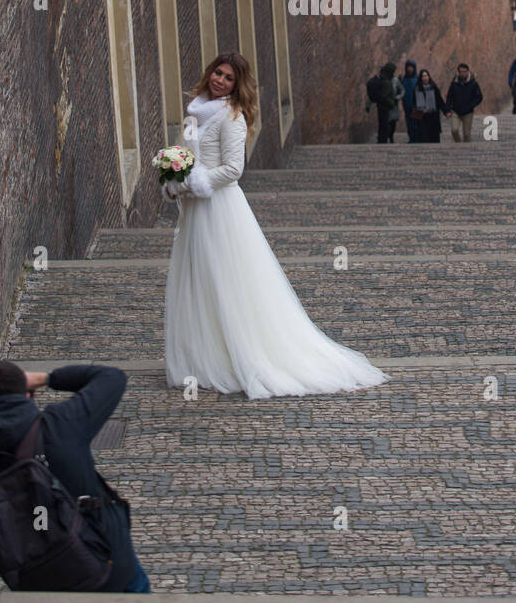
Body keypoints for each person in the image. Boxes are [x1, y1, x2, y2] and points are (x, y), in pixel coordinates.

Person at [164, 52, 387, 398]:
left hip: (219, 209)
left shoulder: (232, 117)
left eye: (228, 78)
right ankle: (203, 354)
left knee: (224, 279)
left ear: (237, 86)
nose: (219, 80)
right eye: (217, 73)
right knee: (198, 279)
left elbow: (234, 169)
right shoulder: (196, 110)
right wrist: (173, 176)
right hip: (195, 209)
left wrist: (197, 183)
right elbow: (186, 154)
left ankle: (240, 353)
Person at [0, 361, 149, 592]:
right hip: (107, 563)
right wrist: (46, 378)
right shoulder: (59, 426)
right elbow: (111, 377)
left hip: (39, 579)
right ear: (28, 394)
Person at [445, 63, 483, 141]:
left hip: (468, 112)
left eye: (464, 71)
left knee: (466, 134)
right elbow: (449, 97)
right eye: (461, 72)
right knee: (454, 130)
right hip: (456, 111)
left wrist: (471, 105)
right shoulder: (454, 83)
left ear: (467, 71)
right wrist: (447, 110)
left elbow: (479, 97)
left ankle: (466, 150)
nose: (462, 73)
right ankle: (458, 145)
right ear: (458, 72)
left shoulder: (473, 83)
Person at [411, 68, 447, 142]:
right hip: (421, 115)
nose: (424, 78)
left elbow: (439, 101)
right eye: (423, 76)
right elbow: (414, 102)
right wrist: (419, 110)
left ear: (429, 77)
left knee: (434, 137)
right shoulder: (416, 89)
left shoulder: (434, 87)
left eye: (426, 76)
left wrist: (446, 111)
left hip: (433, 115)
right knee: (423, 136)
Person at [376, 62, 402, 143]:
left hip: (390, 105)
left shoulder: (393, 80)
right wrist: (390, 101)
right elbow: (383, 95)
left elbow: (402, 89)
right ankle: (383, 140)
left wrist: (397, 97)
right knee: (384, 124)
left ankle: (388, 138)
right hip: (386, 105)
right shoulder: (384, 80)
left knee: (390, 123)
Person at [400, 59, 419, 142]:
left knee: (416, 123)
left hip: (417, 105)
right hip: (407, 105)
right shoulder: (403, 79)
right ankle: (411, 138)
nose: (410, 69)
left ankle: (416, 138)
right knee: (409, 123)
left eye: (411, 67)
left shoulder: (418, 79)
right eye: (408, 67)